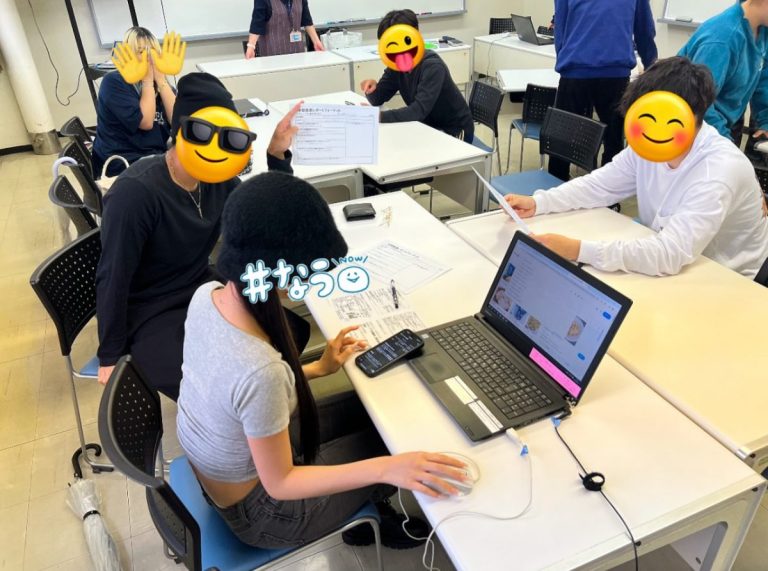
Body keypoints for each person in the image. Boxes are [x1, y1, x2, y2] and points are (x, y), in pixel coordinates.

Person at [177, 171, 468, 549]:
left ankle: (363, 499)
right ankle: (370, 514)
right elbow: (281, 483)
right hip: (263, 513)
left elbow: (236, 392)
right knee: (392, 444)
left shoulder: (209, 295)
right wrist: (388, 467)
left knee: (375, 414)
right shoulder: (262, 370)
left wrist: (317, 368)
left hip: (228, 470)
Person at [95, 72, 301, 400]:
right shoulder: (135, 192)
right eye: (202, 133)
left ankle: (270, 408)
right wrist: (110, 354)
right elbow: (113, 275)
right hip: (150, 311)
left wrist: (276, 157)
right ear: (180, 132)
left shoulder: (217, 178)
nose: (214, 147)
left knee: (289, 334)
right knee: (219, 385)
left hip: (201, 289)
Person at [503, 57, 768, 278]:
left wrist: (578, 250)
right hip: (681, 262)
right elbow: (600, 185)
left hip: (729, 278)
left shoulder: (717, 170)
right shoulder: (654, 143)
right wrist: (539, 202)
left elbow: (670, 254)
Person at [549, 0, 657, 180]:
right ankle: (610, 191)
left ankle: (555, 185)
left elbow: (560, 25)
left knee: (563, 138)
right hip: (613, 72)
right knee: (613, 140)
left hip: (577, 69)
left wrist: (565, 58)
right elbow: (644, 29)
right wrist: (651, 65)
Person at [360, 9, 474, 142]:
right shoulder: (397, 65)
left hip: (455, 130)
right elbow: (378, 98)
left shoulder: (432, 67)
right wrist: (372, 88)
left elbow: (418, 111)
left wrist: (380, 116)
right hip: (428, 126)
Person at [678, 0, 768, 145]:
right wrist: (724, 143)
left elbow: (762, 77)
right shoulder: (723, 40)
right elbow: (697, 102)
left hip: (726, 120)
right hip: (696, 125)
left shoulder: (762, 30)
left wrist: (765, 120)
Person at [92, 27, 176, 179]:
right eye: (140, 51)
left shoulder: (160, 83)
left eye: (153, 51)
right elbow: (146, 122)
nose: (148, 58)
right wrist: (147, 81)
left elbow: (177, 120)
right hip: (124, 160)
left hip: (153, 155)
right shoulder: (114, 82)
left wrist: (161, 80)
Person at [246, 0, 325, 58]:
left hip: (298, 52)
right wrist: (251, 46)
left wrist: (316, 41)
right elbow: (257, 24)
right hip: (273, 53)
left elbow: (307, 21)